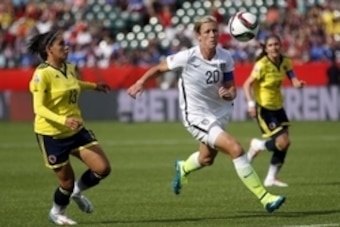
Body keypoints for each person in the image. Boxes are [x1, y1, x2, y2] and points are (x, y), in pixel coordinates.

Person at [127, 16, 285, 213]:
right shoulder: (188, 56)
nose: (212, 35)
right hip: (196, 116)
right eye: (207, 32)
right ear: (198, 36)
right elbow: (160, 68)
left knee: (206, 159)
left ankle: (183, 167)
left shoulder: (225, 57)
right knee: (235, 149)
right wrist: (141, 82)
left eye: (215, 31)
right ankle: (265, 197)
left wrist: (229, 94)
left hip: (219, 113)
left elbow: (232, 88)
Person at [28, 30, 111, 225]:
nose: (66, 47)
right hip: (52, 135)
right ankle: (57, 212)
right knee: (65, 182)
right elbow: (38, 108)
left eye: (66, 43)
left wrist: (93, 86)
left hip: (76, 130)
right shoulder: (42, 74)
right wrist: (63, 120)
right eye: (61, 44)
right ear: (49, 49)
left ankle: (77, 192)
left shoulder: (69, 67)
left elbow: (73, 84)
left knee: (103, 168)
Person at [243, 34, 305, 187]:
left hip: (279, 107)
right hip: (264, 108)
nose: (274, 47)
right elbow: (246, 84)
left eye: (276, 44)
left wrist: (296, 83)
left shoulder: (285, 62)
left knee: (285, 144)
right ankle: (258, 145)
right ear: (265, 48)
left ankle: (270, 178)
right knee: (283, 141)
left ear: (280, 45)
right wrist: (251, 104)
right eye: (270, 45)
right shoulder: (262, 65)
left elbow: (292, 76)